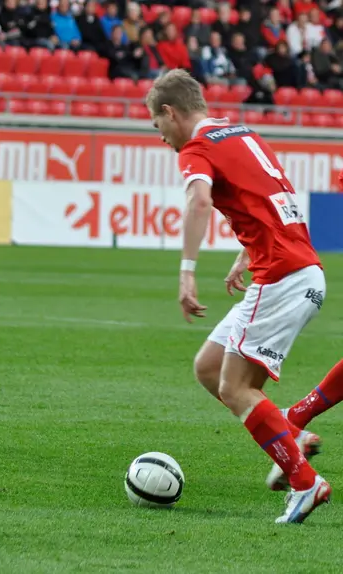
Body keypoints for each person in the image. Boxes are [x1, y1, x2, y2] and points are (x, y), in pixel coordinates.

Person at [146, 69, 331, 524]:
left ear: (171, 112)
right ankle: (289, 434)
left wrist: (187, 272)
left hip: (283, 276)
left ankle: (306, 483)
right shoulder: (240, 131)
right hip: (294, 266)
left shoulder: (197, 147)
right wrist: (246, 252)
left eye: (158, 125)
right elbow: (269, 196)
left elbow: (200, 202)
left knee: (234, 387)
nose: (162, 137)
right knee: (209, 368)